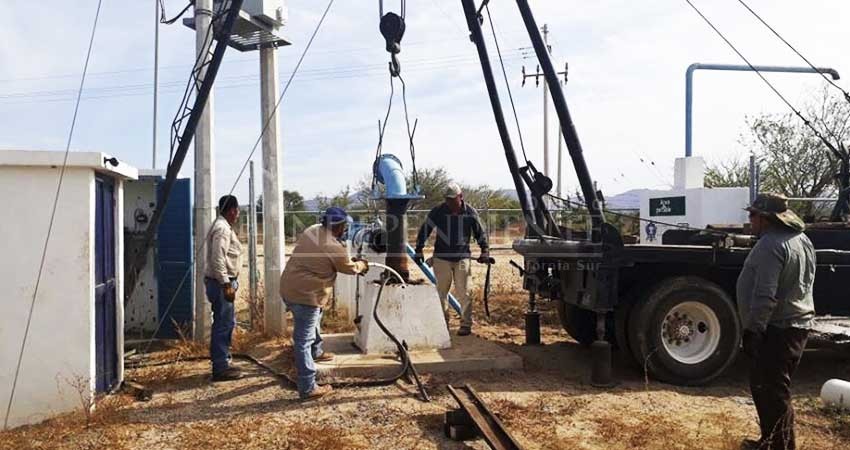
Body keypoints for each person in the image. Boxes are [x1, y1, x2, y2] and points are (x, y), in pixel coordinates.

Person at [737, 193, 815, 450]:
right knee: (770, 387)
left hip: (778, 328)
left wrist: (754, 331)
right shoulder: (802, 240)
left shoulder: (770, 246)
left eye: (753, 215)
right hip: (797, 326)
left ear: (766, 219)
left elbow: (765, 295)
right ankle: (770, 442)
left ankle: (780, 446)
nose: (750, 220)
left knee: (772, 391)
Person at [280, 207, 369, 400]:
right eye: (344, 226)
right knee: (303, 340)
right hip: (306, 296)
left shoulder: (312, 230)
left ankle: (316, 351)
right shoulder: (334, 247)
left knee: (315, 319)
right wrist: (362, 264)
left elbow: (326, 258)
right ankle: (307, 386)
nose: (345, 229)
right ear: (339, 226)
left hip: (289, 287)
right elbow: (350, 268)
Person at [414, 182, 490, 336]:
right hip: (442, 258)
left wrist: (485, 250)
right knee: (442, 293)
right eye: (447, 199)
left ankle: (466, 325)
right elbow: (425, 229)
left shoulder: (470, 212)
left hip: (462, 257)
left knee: (465, 292)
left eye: (452, 199)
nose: (449, 202)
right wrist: (419, 249)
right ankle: (443, 325)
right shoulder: (438, 211)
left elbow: (480, 233)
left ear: (460, 197)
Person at [204, 195, 244, 382]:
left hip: (221, 281)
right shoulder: (222, 229)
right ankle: (220, 367)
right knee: (223, 324)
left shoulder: (222, 226)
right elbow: (217, 258)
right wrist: (226, 283)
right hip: (221, 283)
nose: (238, 214)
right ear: (233, 210)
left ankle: (223, 362)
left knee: (225, 322)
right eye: (237, 211)